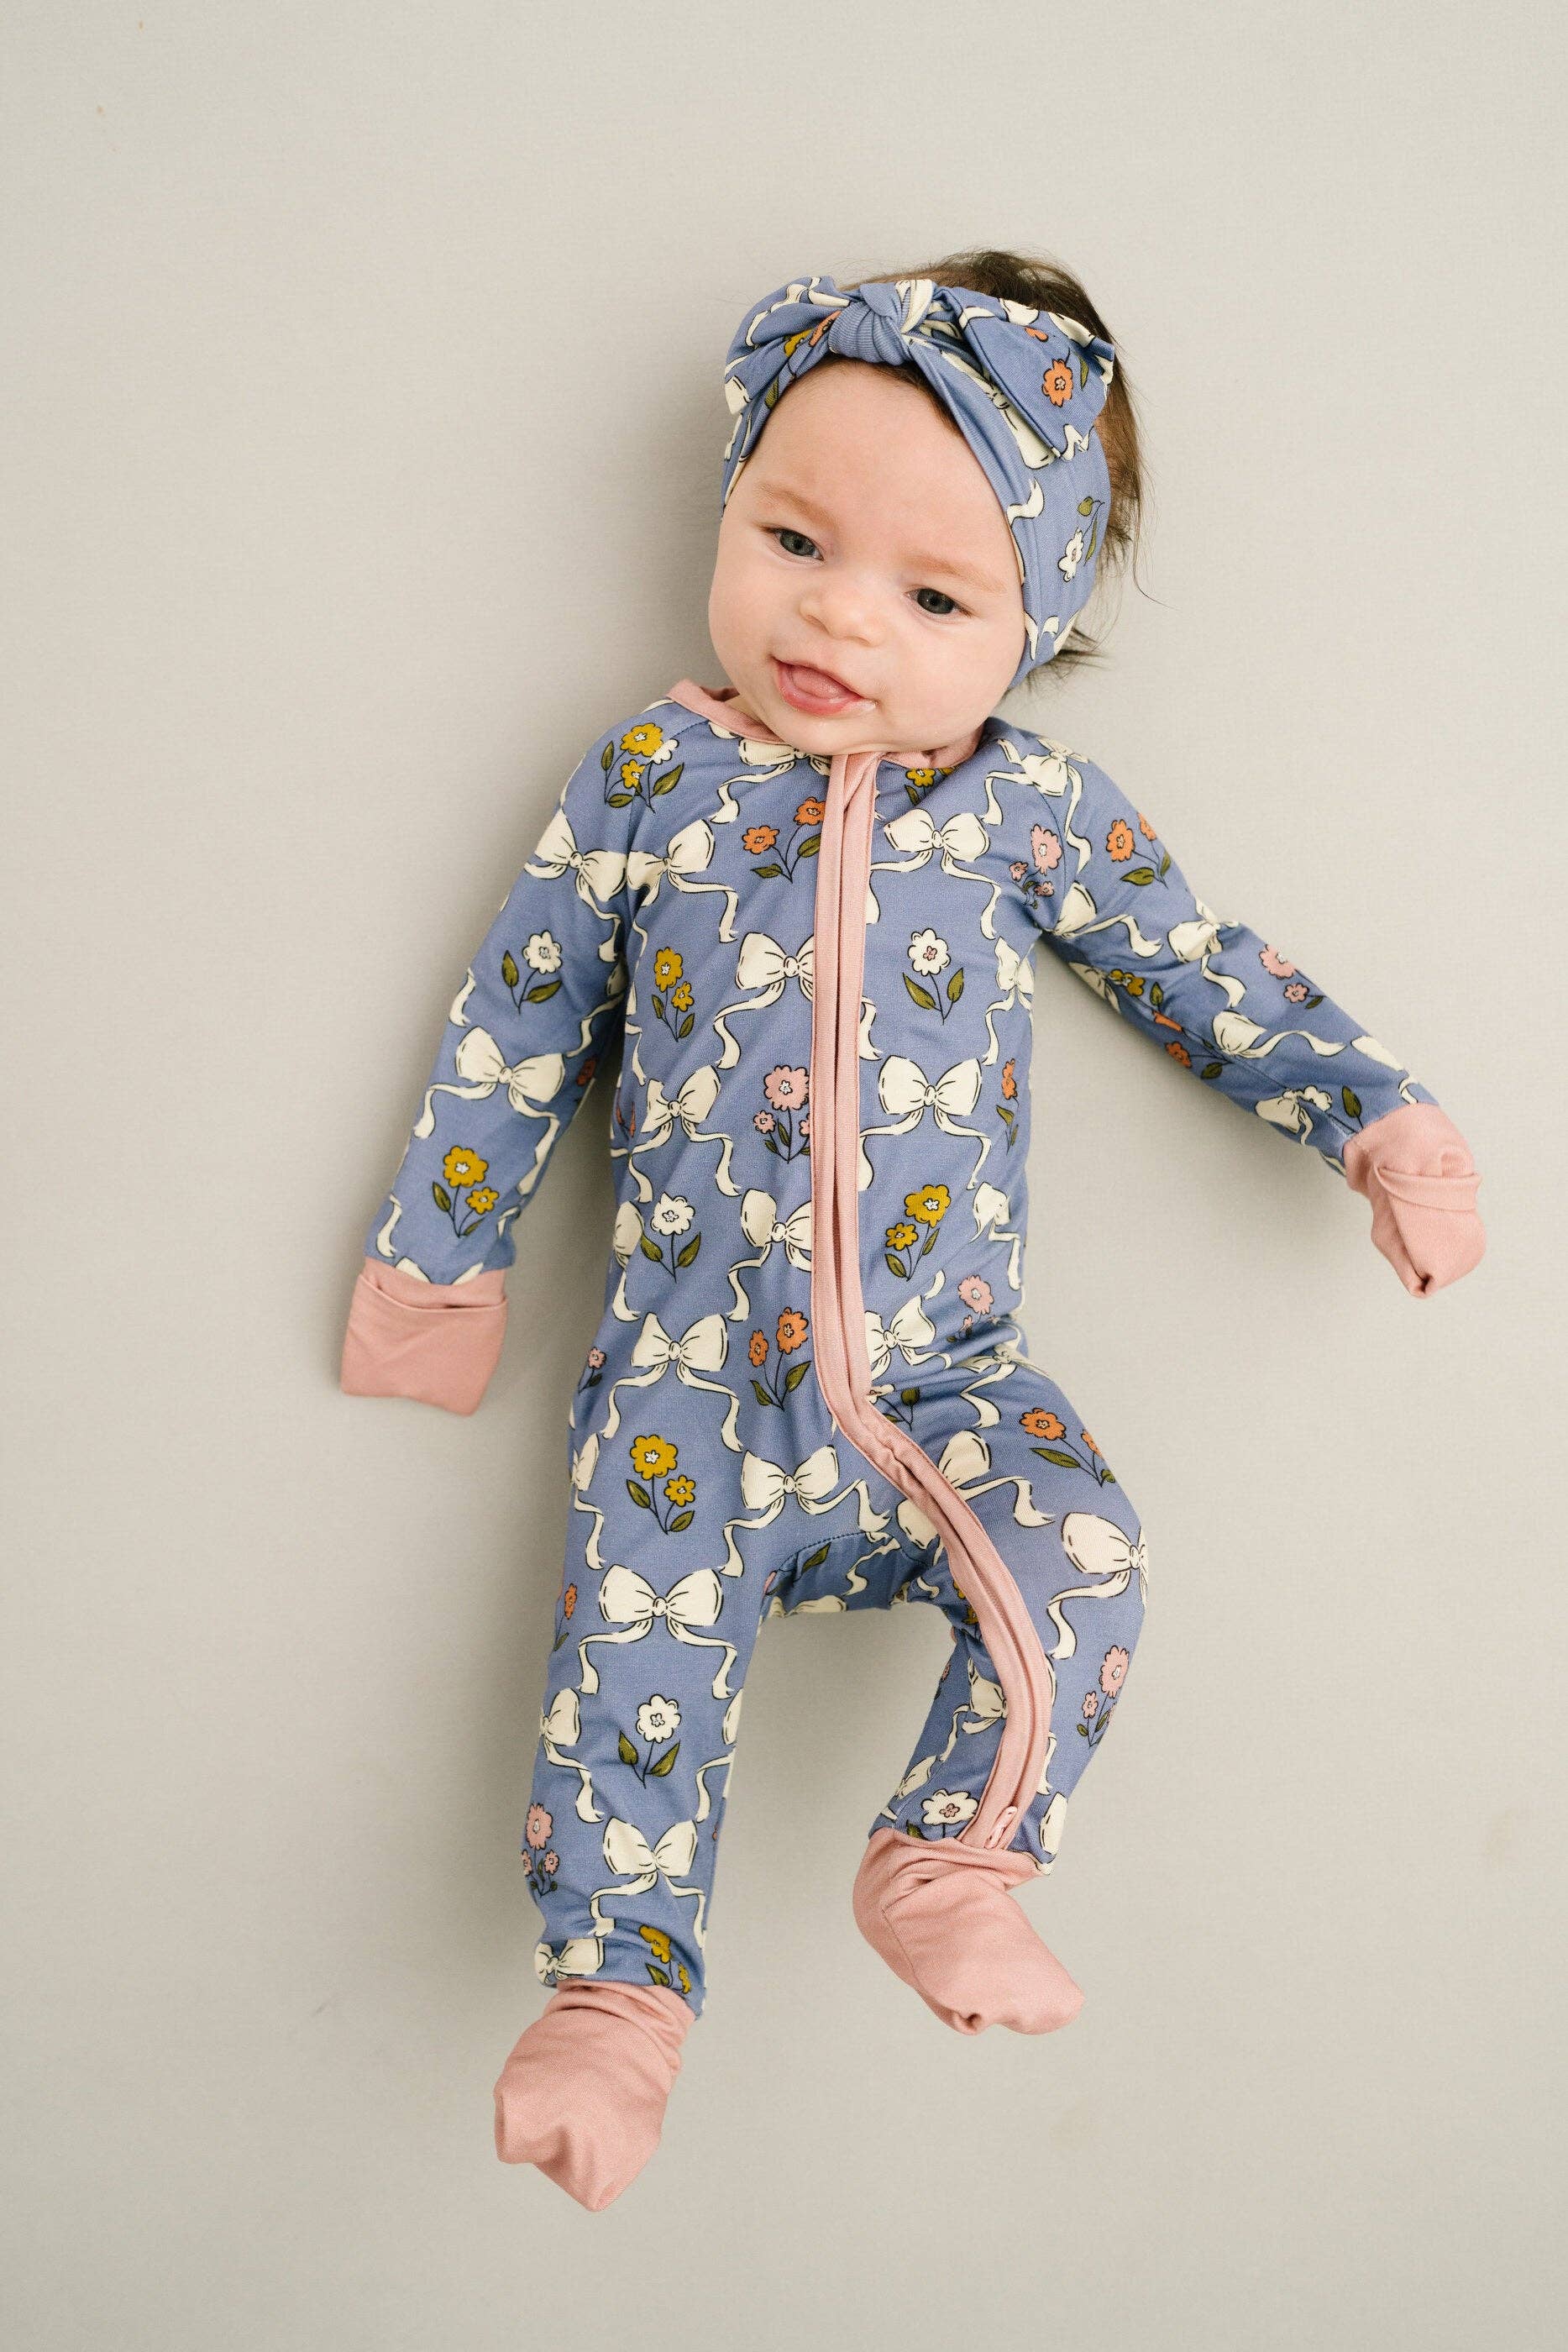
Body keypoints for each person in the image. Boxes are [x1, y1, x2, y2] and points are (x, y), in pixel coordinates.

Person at [340, 253, 1486, 2209]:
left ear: (1034, 626)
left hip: (937, 1383)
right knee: (625, 1683)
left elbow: (1198, 968)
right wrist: (433, 1270)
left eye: (934, 597)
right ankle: (617, 1999)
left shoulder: (1033, 809)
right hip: (687, 1393)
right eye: (794, 540)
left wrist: (1384, 1119)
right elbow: (516, 1018)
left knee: (1085, 1552)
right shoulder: (650, 779)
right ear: (732, 508)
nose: (838, 616)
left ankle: (953, 1851)